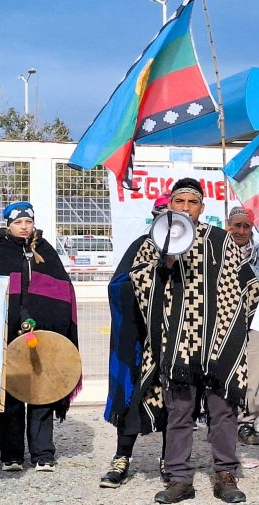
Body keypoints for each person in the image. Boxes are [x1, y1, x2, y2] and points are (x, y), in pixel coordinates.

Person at [126, 178, 259, 505]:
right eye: (179, 202)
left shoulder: (221, 240)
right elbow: (140, 284)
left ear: (203, 208)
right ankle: (179, 478)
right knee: (179, 412)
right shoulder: (153, 241)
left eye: (192, 202)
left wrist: (241, 323)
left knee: (222, 411)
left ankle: (225, 474)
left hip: (218, 341)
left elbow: (246, 285)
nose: (185, 207)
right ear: (170, 205)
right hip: (177, 342)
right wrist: (166, 262)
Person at [0, 202, 78, 472]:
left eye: (28, 222)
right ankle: (11, 455)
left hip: (43, 338)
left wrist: (50, 325)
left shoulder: (45, 251)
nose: (24, 227)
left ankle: (43, 453)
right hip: (8, 338)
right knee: (12, 395)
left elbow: (61, 292)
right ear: (9, 224)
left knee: (42, 393)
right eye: (18, 222)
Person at [100, 199, 174, 488]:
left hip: (175, 340)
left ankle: (172, 458)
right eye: (162, 217)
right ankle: (122, 457)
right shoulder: (142, 246)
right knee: (131, 398)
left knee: (175, 400)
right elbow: (118, 284)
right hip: (140, 341)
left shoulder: (193, 250)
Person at [227, 207, 259, 446]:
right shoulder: (216, 249)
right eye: (236, 225)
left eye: (246, 226)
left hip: (252, 321)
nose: (241, 231)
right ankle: (220, 421)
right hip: (223, 322)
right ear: (228, 225)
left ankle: (247, 422)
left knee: (251, 374)